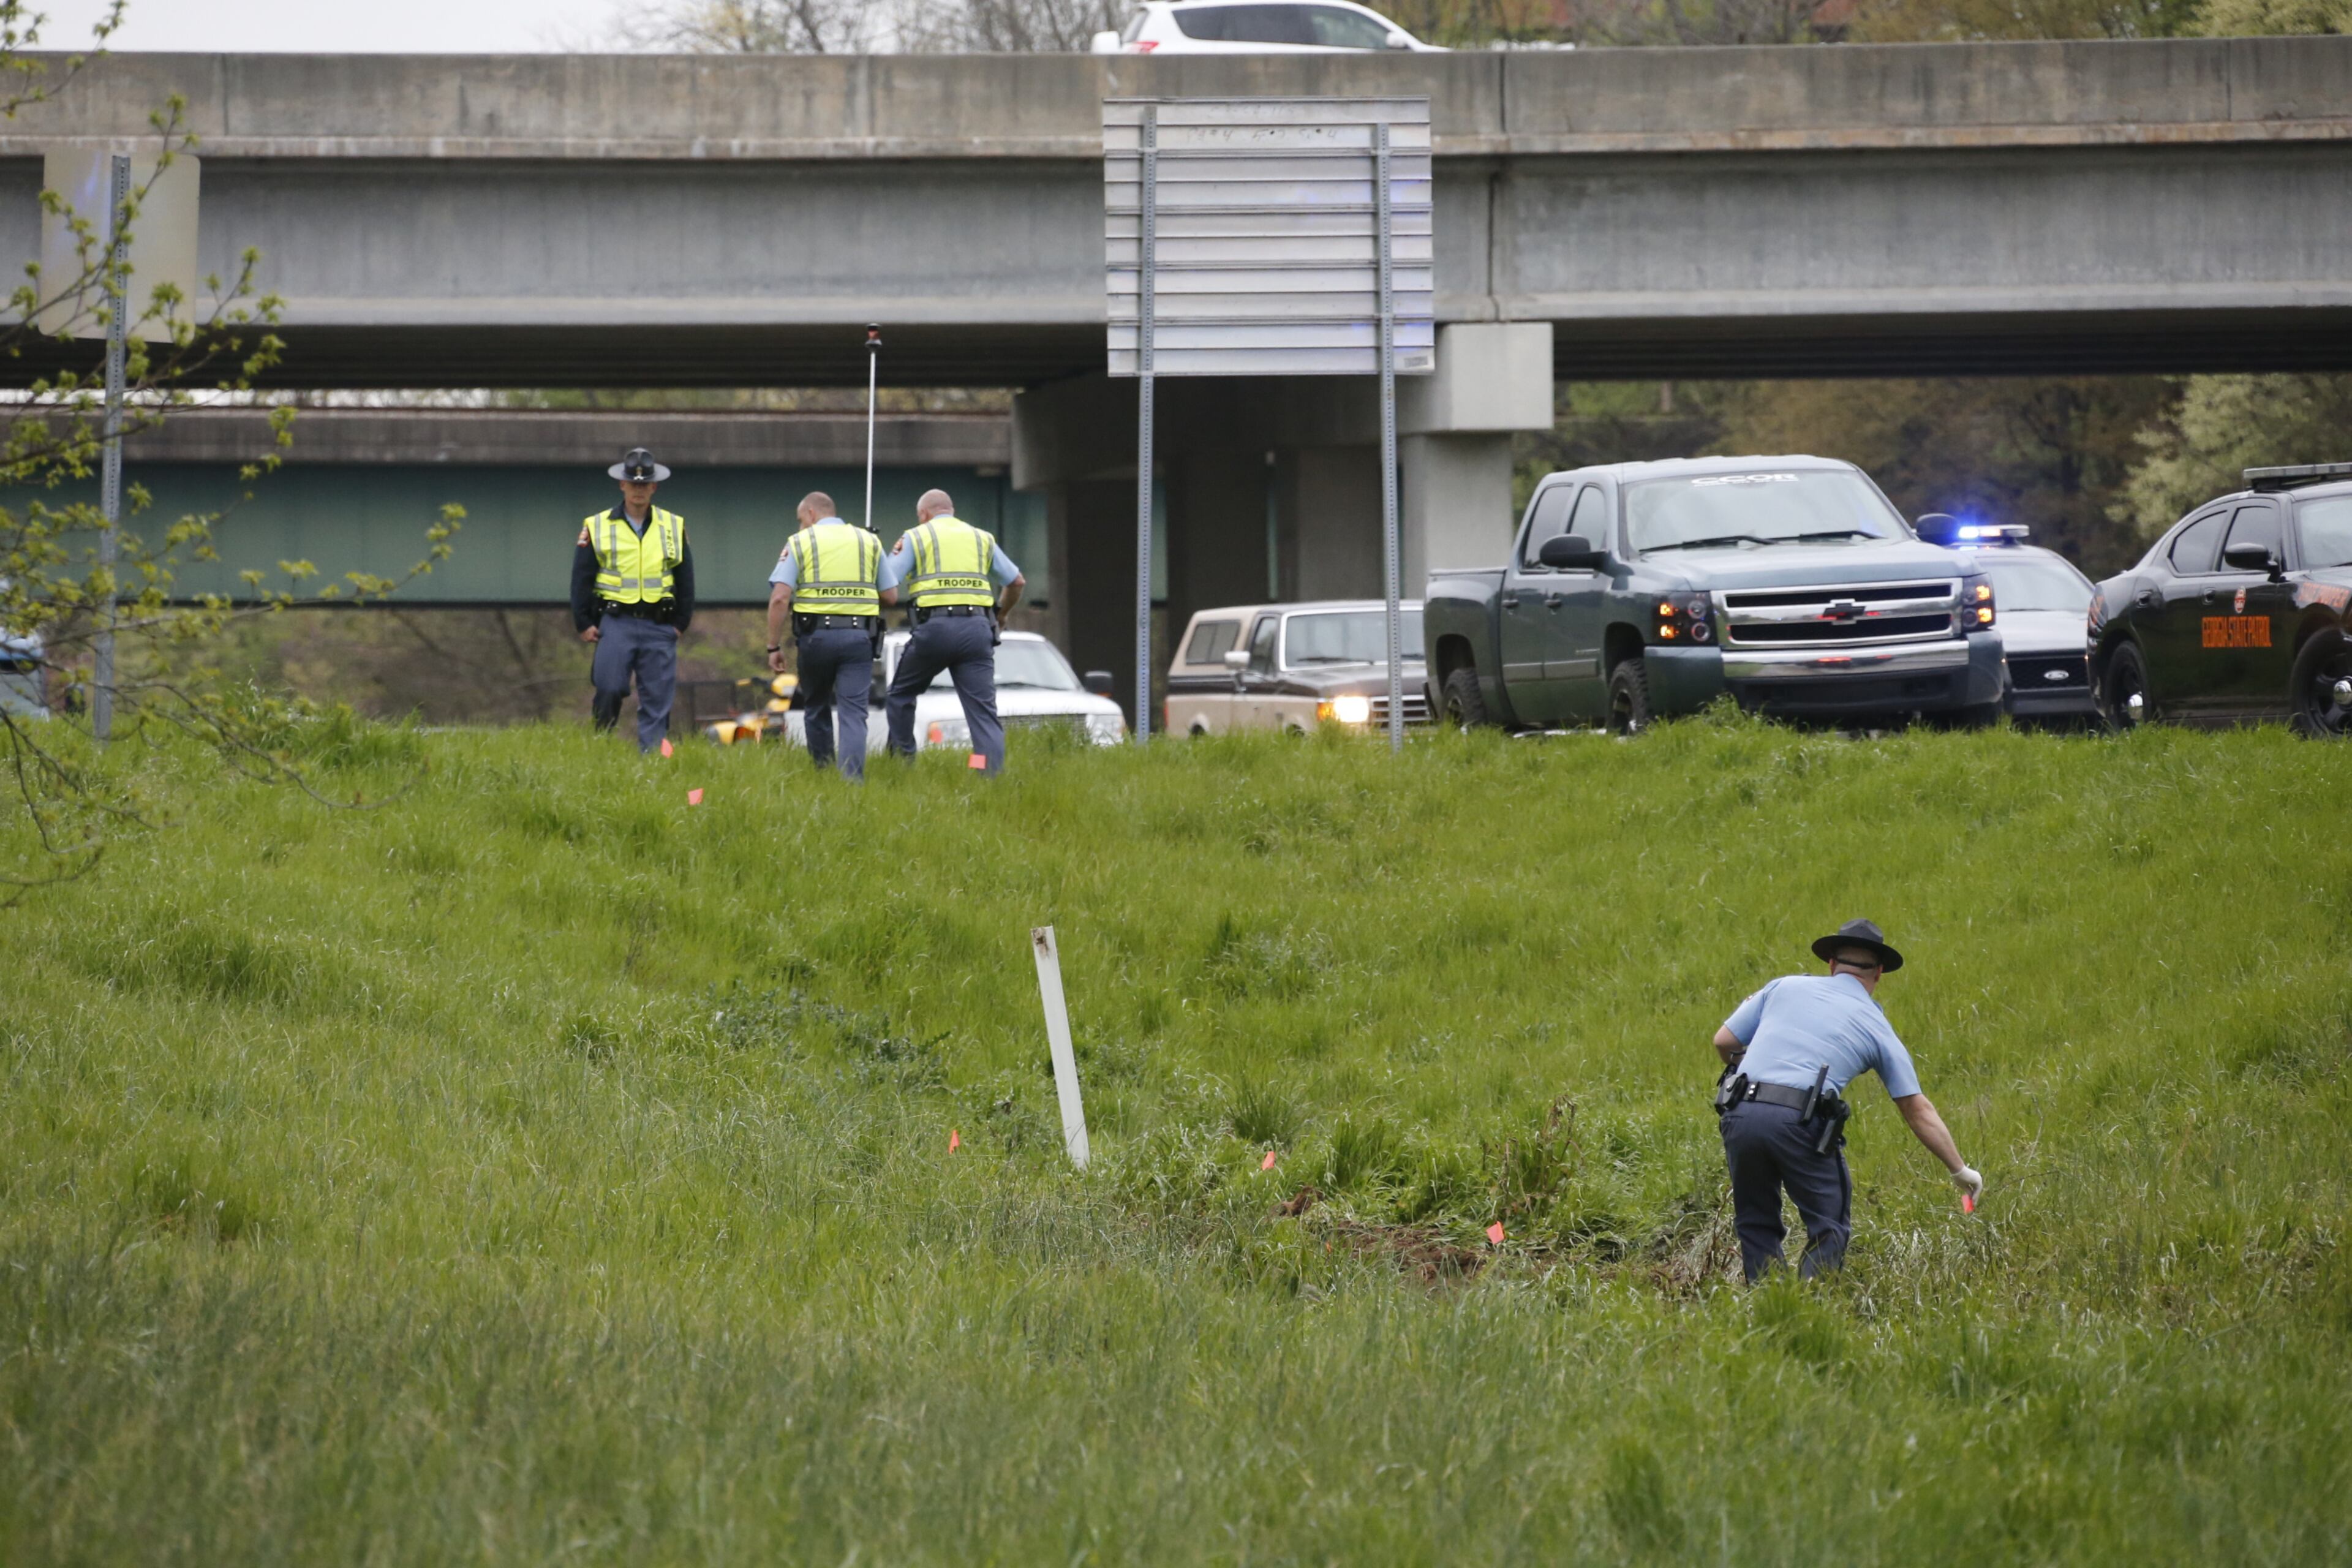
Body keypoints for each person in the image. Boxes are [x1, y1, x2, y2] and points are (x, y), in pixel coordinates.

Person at [1711, 918, 1983, 1283]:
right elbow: (1916, 1108)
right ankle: (1812, 1312)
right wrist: (1959, 1170)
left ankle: (1768, 1312)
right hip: (1800, 1122)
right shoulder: (1875, 1025)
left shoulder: (1784, 987)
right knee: (1828, 1226)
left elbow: (1723, 1042)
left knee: (1756, 1221)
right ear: (1880, 973)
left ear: (1832, 964)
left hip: (1741, 1114)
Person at [882, 489, 1024, 774]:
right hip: (977, 631)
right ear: (952, 510)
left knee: (900, 695)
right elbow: (1017, 581)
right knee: (982, 713)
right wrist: (1002, 614)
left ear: (924, 514)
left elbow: (888, 584)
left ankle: (903, 766)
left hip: (934, 630)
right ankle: (986, 774)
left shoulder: (916, 536)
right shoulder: (981, 538)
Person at [767, 491, 899, 782]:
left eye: (802, 520)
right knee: (854, 714)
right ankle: (852, 782)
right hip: (858, 640)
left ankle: (824, 773)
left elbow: (780, 598)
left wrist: (773, 646)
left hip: (816, 640)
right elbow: (891, 595)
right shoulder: (869, 541)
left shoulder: (801, 541)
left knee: (816, 706)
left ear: (812, 515)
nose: (801, 526)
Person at [572, 447, 695, 753]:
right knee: (610, 687)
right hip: (616, 622)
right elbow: (582, 577)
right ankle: (601, 744)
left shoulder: (673, 525)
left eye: (644, 485)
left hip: (660, 624)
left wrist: (681, 623)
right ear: (622, 485)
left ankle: (650, 765)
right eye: (633, 484)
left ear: (653, 487)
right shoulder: (597, 525)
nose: (638, 490)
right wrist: (584, 622)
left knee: (657, 699)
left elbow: (685, 577)